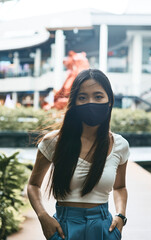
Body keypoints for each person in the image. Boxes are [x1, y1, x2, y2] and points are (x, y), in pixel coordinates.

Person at [27, 69, 130, 240]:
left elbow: (120, 187)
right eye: (82, 97)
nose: (91, 102)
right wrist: (43, 216)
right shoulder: (53, 142)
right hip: (64, 228)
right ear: (74, 102)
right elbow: (33, 185)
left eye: (98, 96)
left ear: (109, 101)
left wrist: (121, 216)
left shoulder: (120, 145)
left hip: (104, 228)